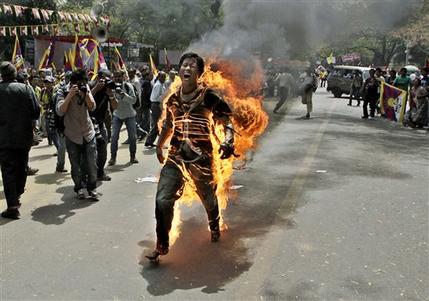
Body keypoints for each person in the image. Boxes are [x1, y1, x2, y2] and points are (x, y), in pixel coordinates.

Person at [146, 52, 235, 261]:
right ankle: (161, 245)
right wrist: (159, 146)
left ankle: (214, 223)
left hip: (202, 160)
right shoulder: (173, 99)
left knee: (209, 200)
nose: (187, 69)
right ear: (179, 71)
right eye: (184, 65)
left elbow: (227, 120)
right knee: (162, 200)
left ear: (199, 74)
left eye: (192, 66)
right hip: (175, 157)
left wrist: (228, 140)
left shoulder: (209, 96)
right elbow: (168, 124)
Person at [0, 62, 40, 219]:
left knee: (8, 170)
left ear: (2, 75)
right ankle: (17, 195)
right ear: (14, 73)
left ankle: (13, 205)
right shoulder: (26, 88)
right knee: (22, 166)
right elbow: (36, 112)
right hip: (24, 137)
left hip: (4, 138)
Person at [57, 69, 99, 200]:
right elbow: (60, 111)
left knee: (91, 164)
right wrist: (70, 95)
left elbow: (92, 107)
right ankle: (79, 187)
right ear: (73, 82)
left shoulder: (85, 88)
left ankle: (92, 187)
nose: (83, 84)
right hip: (72, 133)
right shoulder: (62, 91)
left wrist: (85, 94)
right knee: (75, 165)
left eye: (84, 82)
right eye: (80, 82)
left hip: (88, 132)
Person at [90, 69, 117, 180]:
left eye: (109, 78)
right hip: (88, 124)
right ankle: (90, 174)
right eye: (105, 78)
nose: (107, 80)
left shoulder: (108, 89)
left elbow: (115, 106)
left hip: (100, 124)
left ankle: (100, 172)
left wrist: (111, 95)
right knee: (90, 151)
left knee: (103, 150)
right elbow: (84, 100)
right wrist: (96, 88)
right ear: (98, 78)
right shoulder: (90, 85)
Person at [108, 70, 138, 165]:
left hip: (129, 115)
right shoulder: (111, 87)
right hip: (117, 115)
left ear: (123, 77)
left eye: (119, 76)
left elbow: (133, 100)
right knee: (114, 137)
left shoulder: (128, 86)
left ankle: (133, 156)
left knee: (133, 137)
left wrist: (123, 95)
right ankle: (113, 158)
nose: (117, 78)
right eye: (115, 77)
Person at [145, 71, 167, 148]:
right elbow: (154, 97)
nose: (164, 79)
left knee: (158, 124)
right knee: (158, 124)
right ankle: (155, 142)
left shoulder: (161, 84)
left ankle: (150, 141)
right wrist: (163, 98)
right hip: (156, 105)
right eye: (162, 77)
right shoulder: (158, 85)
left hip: (158, 105)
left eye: (164, 77)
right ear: (159, 77)